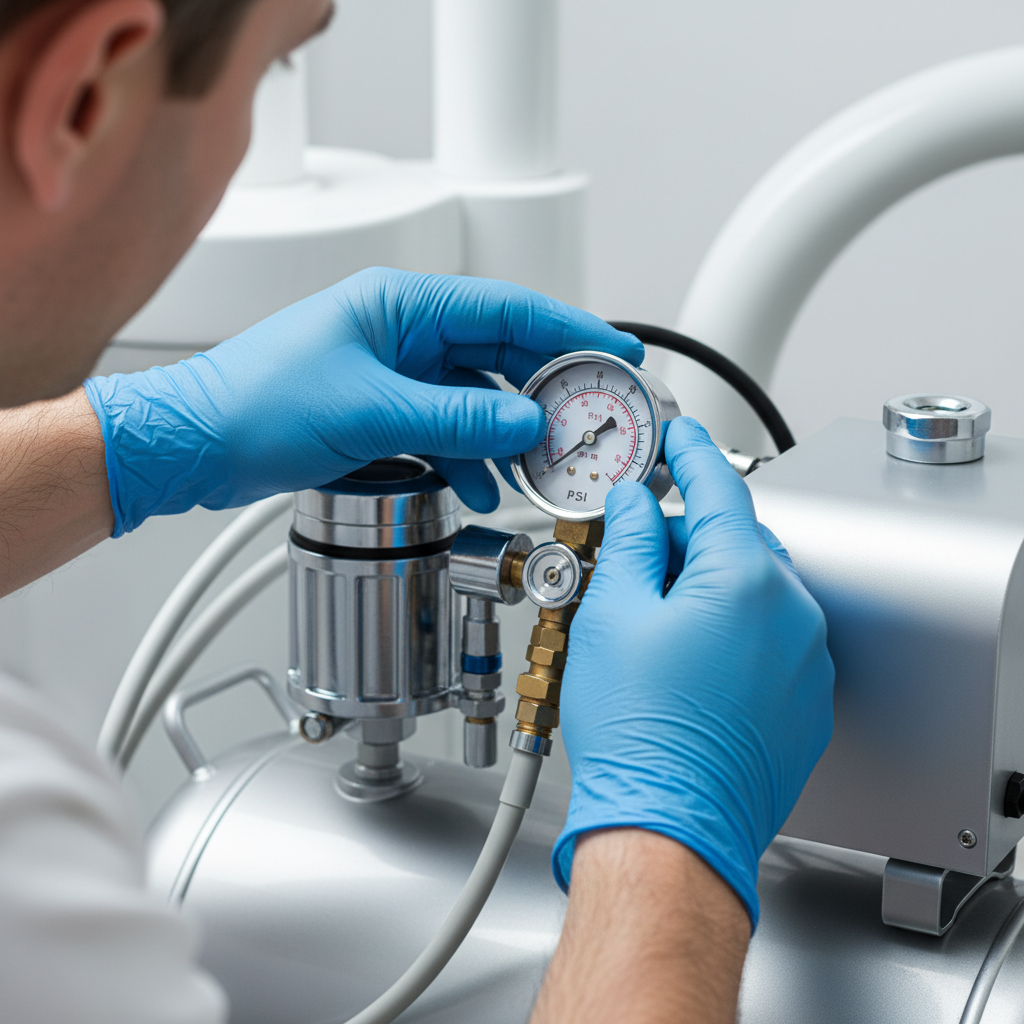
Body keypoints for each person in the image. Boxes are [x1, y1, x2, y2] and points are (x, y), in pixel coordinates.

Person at [0, 1, 835, 1022]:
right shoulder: (25, 849)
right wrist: (672, 837)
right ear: (83, 93)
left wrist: (141, 437)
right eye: (275, 70)